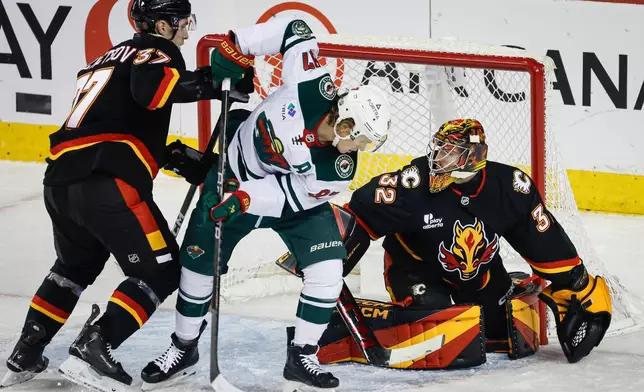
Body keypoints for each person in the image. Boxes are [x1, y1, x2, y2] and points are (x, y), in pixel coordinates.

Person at [0, 0, 252, 390]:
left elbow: (117, 116)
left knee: (73, 269)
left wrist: (168, 155)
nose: (186, 31)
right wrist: (211, 81)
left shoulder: (108, 57)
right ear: (161, 25)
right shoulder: (156, 49)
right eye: (182, 23)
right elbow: (150, 93)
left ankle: (24, 355)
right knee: (161, 271)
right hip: (107, 183)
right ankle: (95, 348)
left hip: (62, 183)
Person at [140, 17, 391, 391]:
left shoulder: (337, 169)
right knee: (197, 265)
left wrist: (244, 200)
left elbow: (289, 199)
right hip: (232, 173)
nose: (361, 150)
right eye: (361, 139)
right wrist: (237, 44)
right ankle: (184, 347)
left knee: (328, 269)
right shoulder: (311, 85)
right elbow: (295, 29)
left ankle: (302, 355)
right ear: (345, 124)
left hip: (279, 200)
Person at [329, 118, 612, 366]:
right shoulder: (411, 186)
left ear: (474, 156)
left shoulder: (509, 187)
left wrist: (577, 283)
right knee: (437, 332)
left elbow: (541, 239)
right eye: (439, 149)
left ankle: (504, 289)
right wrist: (327, 256)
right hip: (415, 268)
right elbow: (358, 216)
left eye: (451, 152)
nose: (439, 157)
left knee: (500, 335)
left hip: (481, 272)